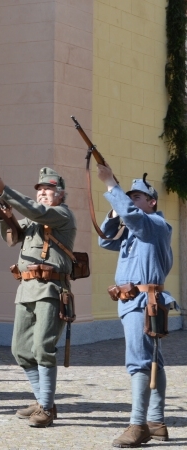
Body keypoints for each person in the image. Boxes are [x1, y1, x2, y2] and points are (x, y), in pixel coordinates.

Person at [0, 167, 76, 427]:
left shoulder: (61, 215)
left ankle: (46, 409)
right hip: (26, 289)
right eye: (40, 190)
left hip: (51, 289)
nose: (43, 194)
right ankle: (42, 400)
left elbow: (38, 212)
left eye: (49, 190)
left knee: (42, 348)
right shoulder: (33, 219)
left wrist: (4, 190)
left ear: (60, 196)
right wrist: (5, 216)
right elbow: (11, 238)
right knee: (21, 350)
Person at [97, 167, 176, 447]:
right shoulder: (136, 230)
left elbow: (132, 215)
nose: (131, 201)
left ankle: (138, 425)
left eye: (138, 197)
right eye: (129, 197)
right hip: (133, 302)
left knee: (139, 362)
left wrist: (110, 186)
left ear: (152, 202)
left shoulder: (154, 224)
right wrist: (114, 213)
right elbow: (105, 240)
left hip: (144, 301)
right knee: (154, 360)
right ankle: (156, 422)